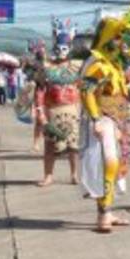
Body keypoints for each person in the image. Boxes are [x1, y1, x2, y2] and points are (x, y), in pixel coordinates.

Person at [79, 4, 130, 233]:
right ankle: (104, 215)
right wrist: (96, 118)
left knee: (115, 167)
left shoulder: (114, 64)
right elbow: (86, 92)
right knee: (109, 165)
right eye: (117, 37)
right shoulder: (97, 62)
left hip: (118, 121)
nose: (122, 42)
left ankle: (107, 211)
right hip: (104, 120)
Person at [37, 18, 83, 187]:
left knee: (73, 146)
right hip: (52, 110)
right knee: (50, 145)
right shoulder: (47, 66)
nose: (61, 51)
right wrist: (40, 111)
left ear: (70, 49)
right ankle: (48, 175)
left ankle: (74, 174)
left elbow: (83, 89)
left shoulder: (77, 67)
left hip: (72, 109)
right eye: (59, 47)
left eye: (65, 48)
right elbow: (40, 89)